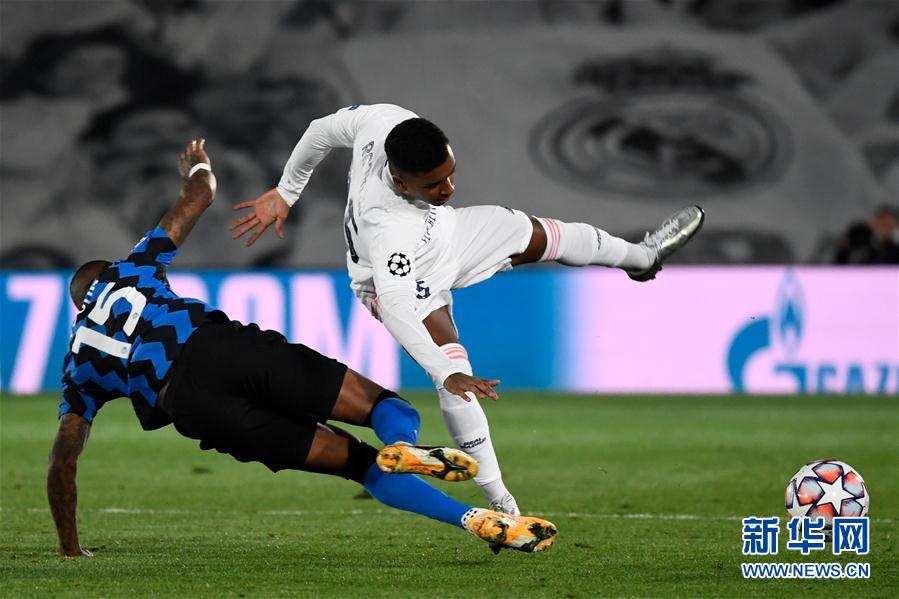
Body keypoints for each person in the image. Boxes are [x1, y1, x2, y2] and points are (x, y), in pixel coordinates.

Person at [48, 139, 558, 558]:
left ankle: (472, 519)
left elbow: (63, 460)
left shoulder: (79, 366)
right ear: (108, 274)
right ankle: (403, 444)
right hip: (222, 350)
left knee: (360, 466)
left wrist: (70, 547)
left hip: (190, 406)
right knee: (387, 407)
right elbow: (197, 198)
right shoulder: (132, 271)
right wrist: (198, 166)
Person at [231, 104, 705, 515]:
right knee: (454, 375)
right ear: (400, 180)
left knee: (548, 234)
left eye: (450, 173)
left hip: (450, 235)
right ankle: (501, 501)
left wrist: (287, 190)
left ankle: (643, 257)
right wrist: (445, 370)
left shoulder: (386, 121)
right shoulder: (387, 226)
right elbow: (397, 307)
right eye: (434, 184)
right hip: (400, 282)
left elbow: (319, 130)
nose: (449, 187)